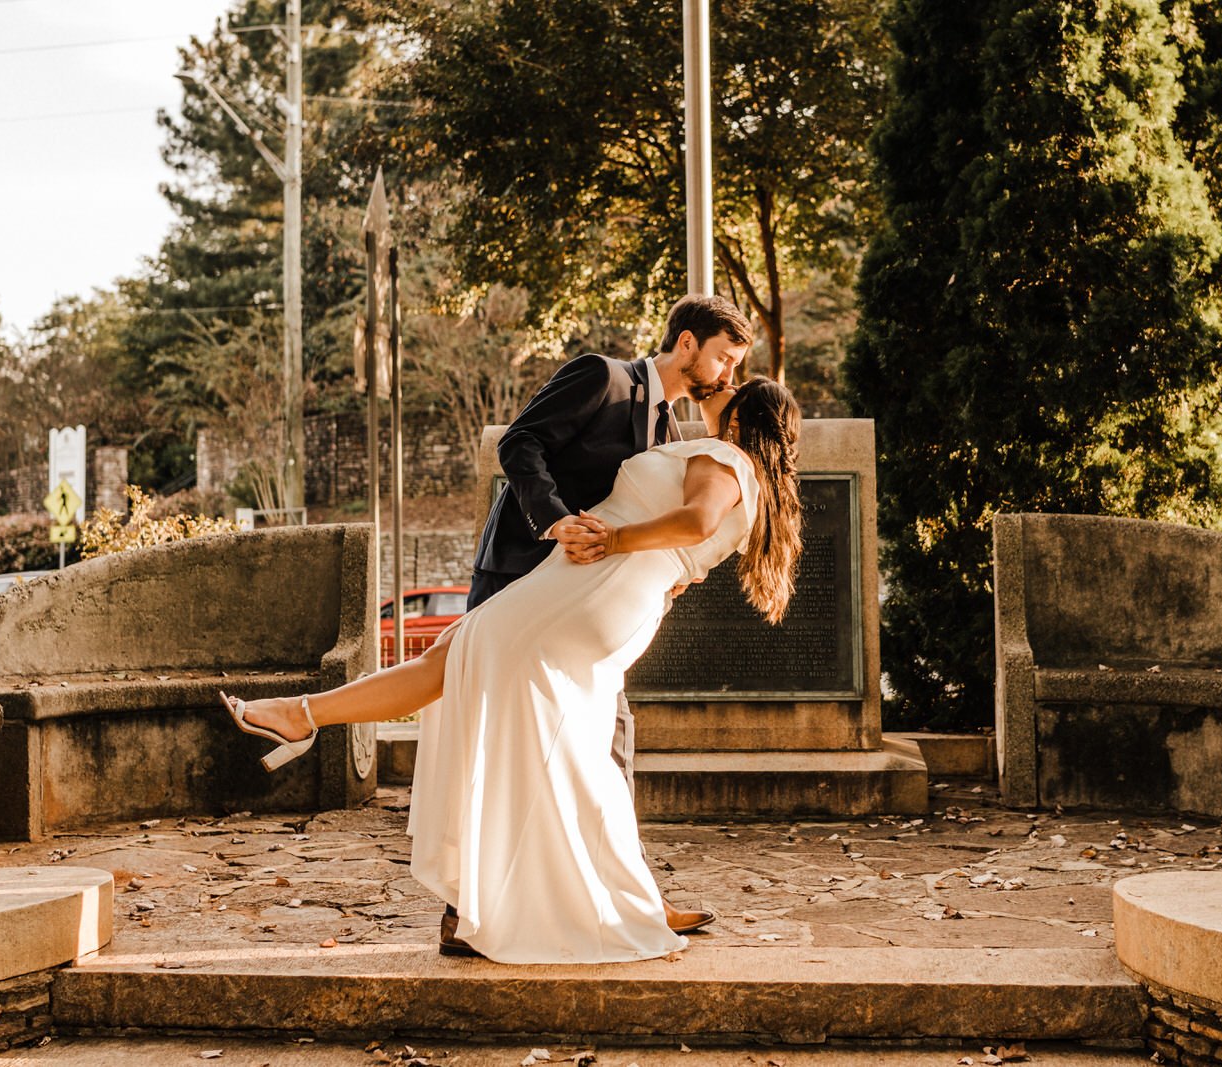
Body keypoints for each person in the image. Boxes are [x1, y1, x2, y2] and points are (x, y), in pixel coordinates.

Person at [220, 376, 803, 964]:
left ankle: (305, 717)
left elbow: (697, 522)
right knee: (489, 686)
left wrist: (615, 539)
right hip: (610, 595)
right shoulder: (756, 491)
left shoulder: (723, 456)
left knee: (469, 673)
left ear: (742, 417)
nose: (718, 387)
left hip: (592, 583)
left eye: (730, 387)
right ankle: (303, 716)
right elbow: (694, 553)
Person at [461, 294, 751, 945]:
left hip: (581, 608)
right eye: (724, 358)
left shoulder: (668, 434)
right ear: (686, 344)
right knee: (487, 733)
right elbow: (520, 443)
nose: (728, 376)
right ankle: (463, 908)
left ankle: (633, 897)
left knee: (611, 739)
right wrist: (554, 516)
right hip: (516, 571)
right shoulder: (603, 376)